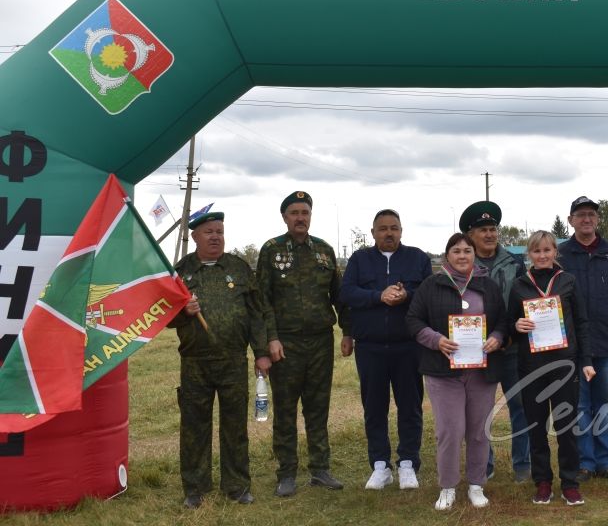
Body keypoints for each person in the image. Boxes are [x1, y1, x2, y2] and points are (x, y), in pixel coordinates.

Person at [169, 212, 273, 509]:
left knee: (235, 427)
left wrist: (261, 352)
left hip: (233, 361)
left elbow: (257, 313)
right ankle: (195, 487)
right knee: (194, 428)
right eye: (209, 232)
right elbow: (163, 318)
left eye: (220, 231)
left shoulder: (239, 269)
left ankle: (237, 486)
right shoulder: (180, 272)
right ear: (195, 237)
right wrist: (182, 312)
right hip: (195, 362)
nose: (215, 236)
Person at [406, 233, 509, 511]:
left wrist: (497, 337)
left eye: (467, 251)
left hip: (481, 371)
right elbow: (413, 320)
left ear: (474, 255)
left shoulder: (487, 285)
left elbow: (503, 321)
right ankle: (448, 487)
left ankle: (476, 485)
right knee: (450, 430)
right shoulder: (432, 285)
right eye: (456, 251)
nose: (462, 256)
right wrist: (436, 340)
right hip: (443, 372)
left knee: (478, 430)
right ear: (446, 256)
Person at [257, 191, 348, 496]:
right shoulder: (271, 251)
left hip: (320, 342)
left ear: (310, 216)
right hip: (286, 344)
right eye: (294, 212)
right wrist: (271, 338)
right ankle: (286, 474)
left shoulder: (324, 251)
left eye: (305, 212)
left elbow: (338, 297)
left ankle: (320, 469)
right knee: (285, 410)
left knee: (318, 408)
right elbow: (263, 301)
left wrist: (347, 331)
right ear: (285, 217)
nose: (300, 217)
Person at [339, 209, 433, 491]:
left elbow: (430, 294)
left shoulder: (418, 258)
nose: (388, 233)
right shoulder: (359, 260)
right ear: (373, 233)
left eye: (394, 228)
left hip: (409, 346)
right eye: (383, 229)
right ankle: (380, 465)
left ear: (402, 231)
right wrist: (378, 295)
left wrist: (408, 295)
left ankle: (408, 463)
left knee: (410, 406)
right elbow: (346, 293)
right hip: (371, 348)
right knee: (374, 407)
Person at [558, 196, 608, 484]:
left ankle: (606, 461)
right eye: (580, 215)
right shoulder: (560, 255)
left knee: (606, 403)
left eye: (591, 214)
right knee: (579, 406)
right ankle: (585, 462)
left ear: (598, 220)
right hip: (572, 347)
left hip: (606, 344)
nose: (586, 219)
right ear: (571, 221)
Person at [510, 231, 595, 506]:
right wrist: (516, 326)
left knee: (566, 426)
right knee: (536, 426)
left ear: (555, 252)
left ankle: (569, 482)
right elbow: (509, 321)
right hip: (531, 366)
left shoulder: (567, 281)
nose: (542, 255)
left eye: (547, 250)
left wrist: (587, 360)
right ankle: (543, 481)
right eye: (536, 251)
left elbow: (582, 323)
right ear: (529, 255)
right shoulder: (520, 284)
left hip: (564, 365)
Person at [459, 200, 531, 483]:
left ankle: (522, 464)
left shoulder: (514, 262)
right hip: (476, 350)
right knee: (479, 413)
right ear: (470, 234)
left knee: (521, 407)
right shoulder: (462, 262)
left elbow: (525, 299)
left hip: (512, 347)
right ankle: (483, 465)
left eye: (493, 229)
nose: (489, 234)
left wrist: (512, 332)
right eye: (482, 230)